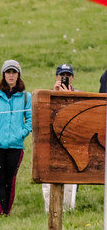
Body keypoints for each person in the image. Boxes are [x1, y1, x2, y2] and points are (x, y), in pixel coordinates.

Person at [0, 60, 32, 216]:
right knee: (0, 180)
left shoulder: (26, 97)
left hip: (16, 145)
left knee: (11, 179)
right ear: (3, 74)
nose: (11, 75)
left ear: (18, 75)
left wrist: (22, 132)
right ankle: (2, 211)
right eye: (8, 72)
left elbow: (30, 119)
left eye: (14, 72)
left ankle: (8, 210)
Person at [45, 63, 78, 212]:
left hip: (71, 140)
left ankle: (68, 209)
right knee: (49, 176)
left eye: (68, 75)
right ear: (56, 77)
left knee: (70, 176)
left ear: (72, 78)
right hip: (52, 141)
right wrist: (55, 94)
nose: (65, 78)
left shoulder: (78, 95)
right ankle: (49, 209)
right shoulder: (48, 95)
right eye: (62, 75)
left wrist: (68, 97)